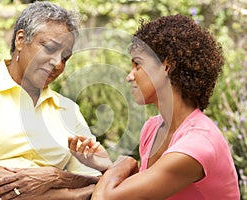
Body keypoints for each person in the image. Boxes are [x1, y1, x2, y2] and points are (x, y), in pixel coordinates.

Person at [69, 14, 240, 199]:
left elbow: (106, 198)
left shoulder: (197, 145)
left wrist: (124, 164)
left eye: (137, 65)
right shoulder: (153, 129)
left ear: (167, 66)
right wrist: (106, 164)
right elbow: (146, 190)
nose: (129, 76)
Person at [0, 1, 101, 199]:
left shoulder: (68, 109)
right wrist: (68, 194)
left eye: (65, 57)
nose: (57, 63)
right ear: (20, 40)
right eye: (49, 48)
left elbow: (92, 178)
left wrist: (53, 177)